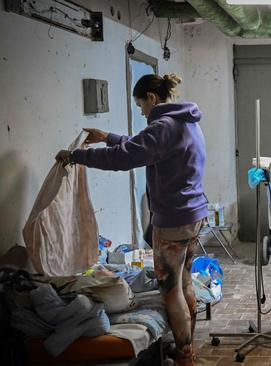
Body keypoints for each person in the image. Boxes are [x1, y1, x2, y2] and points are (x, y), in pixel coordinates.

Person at [56, 73, 207, 366]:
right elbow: (143, 147)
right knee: (186, 283)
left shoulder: (162, 126)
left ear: (151, 97)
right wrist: (107, 137)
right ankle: (189, 348)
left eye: (140, 105)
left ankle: (185, 358)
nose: (141, 111)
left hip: (174, 220)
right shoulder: (187, 121)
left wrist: (77, 156)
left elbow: (122, 158)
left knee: (170, 290)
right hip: (194, 215)